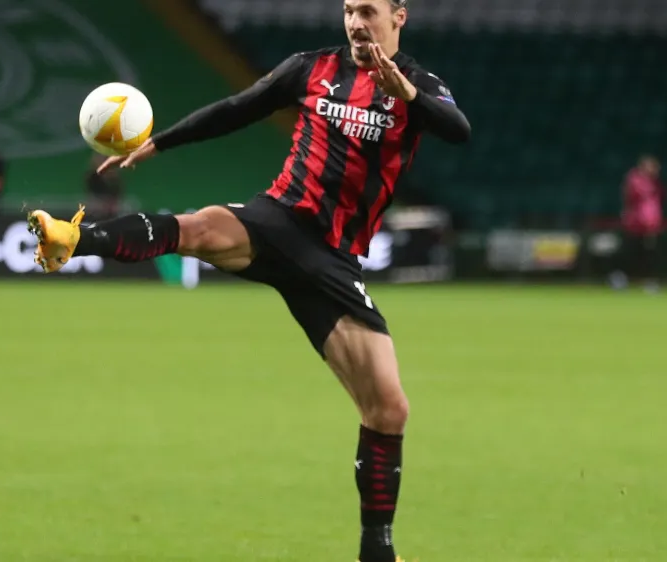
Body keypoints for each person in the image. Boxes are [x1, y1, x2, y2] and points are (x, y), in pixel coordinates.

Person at [26, 1, 470, 561]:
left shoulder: (420, 87)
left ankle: (376, 551)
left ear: (399, 16)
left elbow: (457, 130)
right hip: (279, 219)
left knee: (388, 409)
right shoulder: (309, 69)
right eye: (349, 10)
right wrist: (161, 141)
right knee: (202, 228)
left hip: (332, 262)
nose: (357, 22)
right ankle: (72, 240)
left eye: (369, 11)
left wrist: (404, 91)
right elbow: (237, 109)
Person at [619, 155, 663, 292]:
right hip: (635, 224)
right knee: (631, 253)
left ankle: (648, 281)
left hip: (650, 225)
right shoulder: (635, 180)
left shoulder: (656, 184)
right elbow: (631, 201)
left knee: (648, 255)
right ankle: (623, 279)